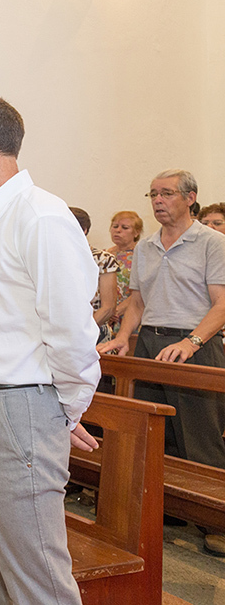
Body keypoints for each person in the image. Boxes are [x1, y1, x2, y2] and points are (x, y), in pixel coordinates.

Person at [0, 95, 101, 604]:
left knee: (37, 583)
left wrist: (62, 412)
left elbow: (72, 332)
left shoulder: (40, 216)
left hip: (14, 409)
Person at [99, 169, 225, 557]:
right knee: (155, 432)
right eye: (153, 193)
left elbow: (222, 304)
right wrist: (123, 337)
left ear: (190, 198)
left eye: (166, 193)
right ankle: (169, 506)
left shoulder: (212, 242)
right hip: (151, 342)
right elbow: (137, 301)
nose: (157, 200)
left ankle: (216, 522)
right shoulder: (148, 246)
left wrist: (191, 342)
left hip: (195, 344)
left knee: (199, 436)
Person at [70, 207, 120, 343]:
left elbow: (108, 308)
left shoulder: (103, 259)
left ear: (84, 230)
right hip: (62, 332)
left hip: (93, 331)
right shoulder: (54, 258)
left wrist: (81, 333)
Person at [106, 210, 143, 336]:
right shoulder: (105, 255)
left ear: (136, 232)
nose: (118, 230)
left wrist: (117, 310)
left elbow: (144, 289)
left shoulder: (142, 255)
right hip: (107, 316)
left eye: (125, 227)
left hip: (131, 316)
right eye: (115, 226)